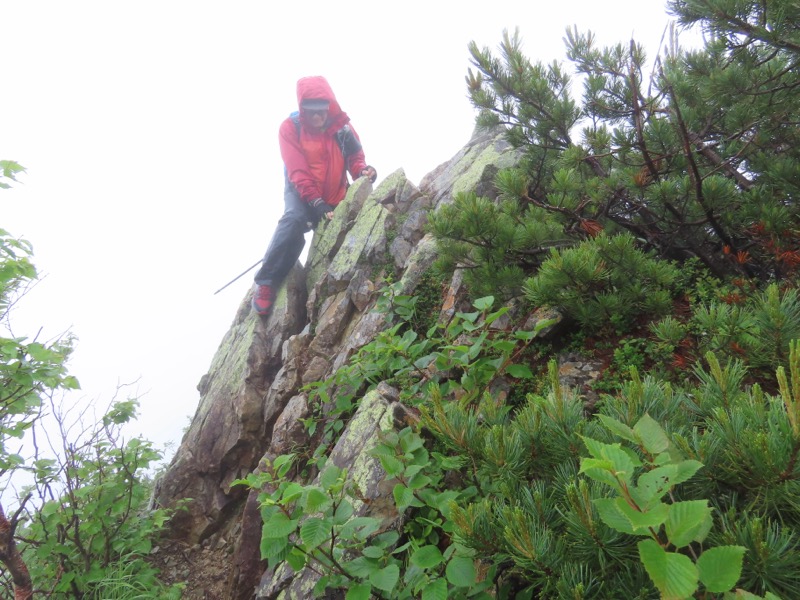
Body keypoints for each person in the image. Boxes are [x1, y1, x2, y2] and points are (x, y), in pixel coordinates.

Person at [252, 76, 377, 316]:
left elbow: (354, 159)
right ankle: (266, 282)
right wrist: (316, 202)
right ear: (303, 110)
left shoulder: (342, 128)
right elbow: (297, 171)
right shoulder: (290, 128)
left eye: (322, 111)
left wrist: (363, 171)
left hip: (334, 193)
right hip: (301, 193)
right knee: (293, 222)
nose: (319, 117)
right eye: (312, 113)